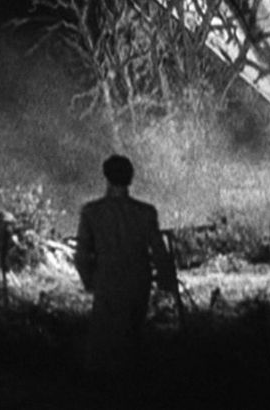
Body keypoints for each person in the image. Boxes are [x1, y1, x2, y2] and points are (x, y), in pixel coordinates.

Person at [74, 155, 177, 377]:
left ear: (106, 177)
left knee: (104, 339)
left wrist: (89, 280)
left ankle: (103, 389)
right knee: (132, 334)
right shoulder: (146, 212)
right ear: (130, 179)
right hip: (138, 282)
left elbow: (82, 254)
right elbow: (159, 251)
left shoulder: (92, 212)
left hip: (107, 282)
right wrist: (166, 281)